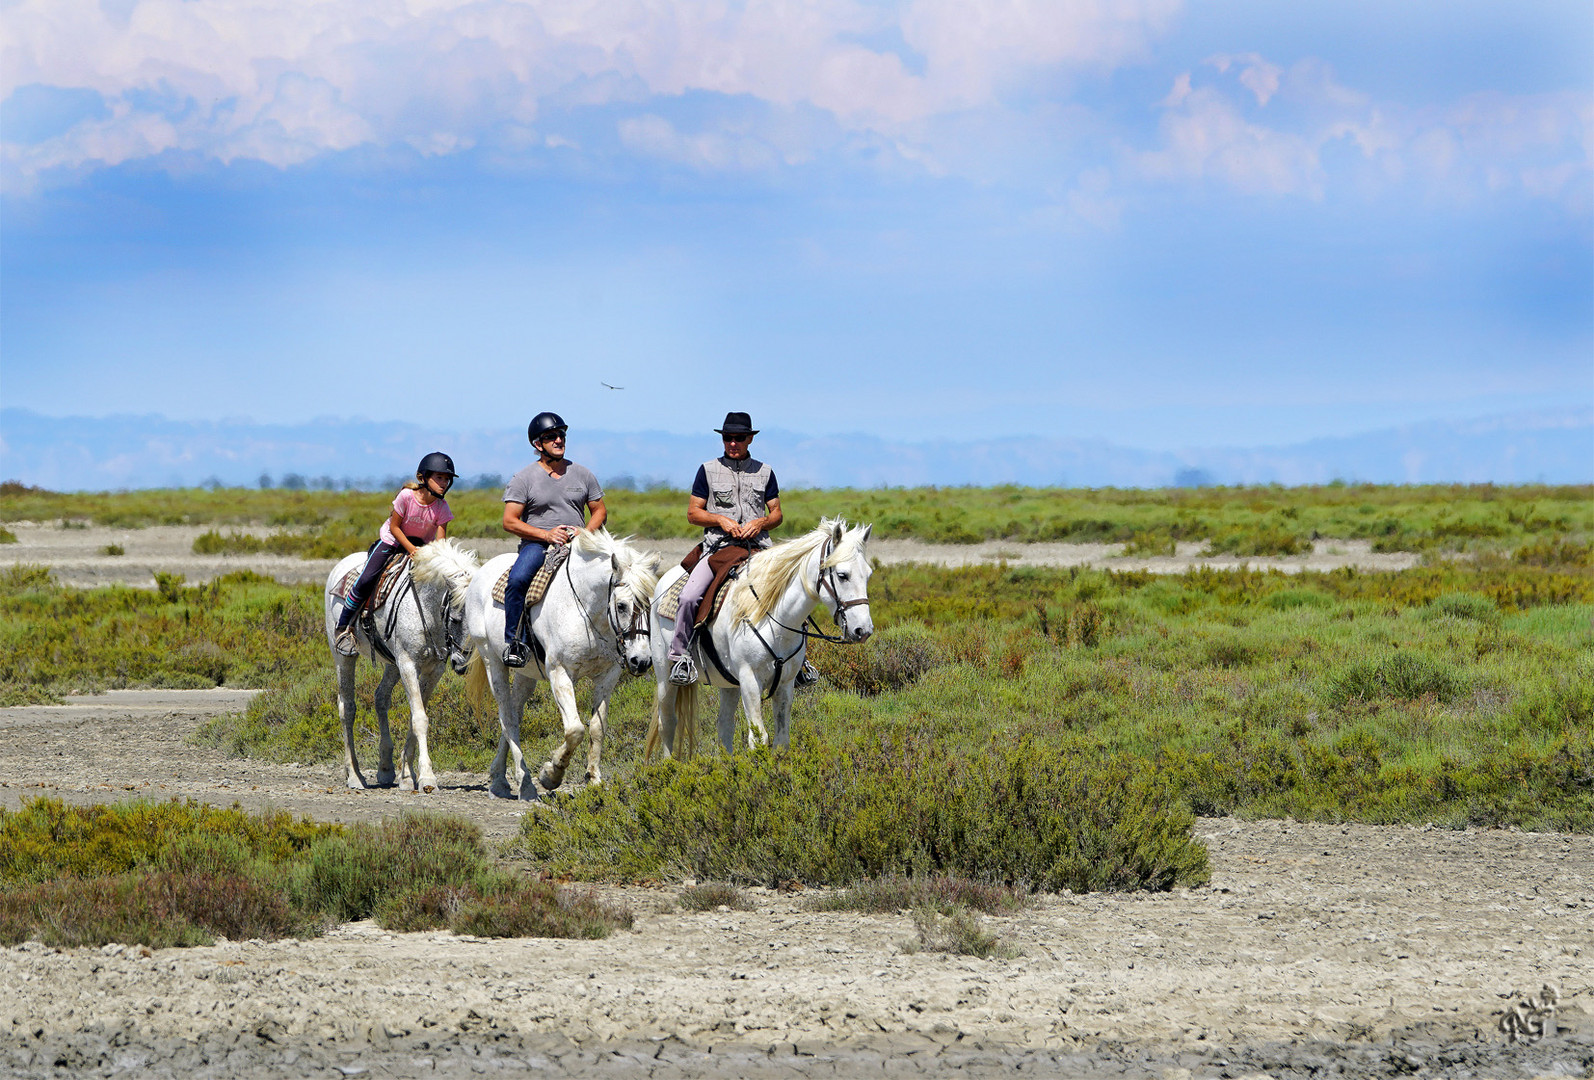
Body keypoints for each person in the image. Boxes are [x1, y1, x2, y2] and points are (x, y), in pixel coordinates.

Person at [667, 411, 784, 685]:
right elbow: (693, 513)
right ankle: (679, 656)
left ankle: (799, 662)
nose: (733, 443)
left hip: (759, 548)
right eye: (728, 438)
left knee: (792, 590)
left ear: (750, 439)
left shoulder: (765, 472)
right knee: (688, 597)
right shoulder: (707, 470)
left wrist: (762, 522)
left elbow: (777, 513)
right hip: (718, 548)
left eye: (739, 438)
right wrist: (720, 519)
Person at [500, 411, 607, 667]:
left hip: (580, 543)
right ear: (538, 445)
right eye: (551, 437)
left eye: (562, 435)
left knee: (616, 576)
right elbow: (509, 521)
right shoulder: (523, 479)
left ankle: (617, 641)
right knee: (517, 580)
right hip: (538, 544)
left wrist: (586, 532)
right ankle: (514, 642)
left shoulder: (583, 474)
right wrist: (546, 534)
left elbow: (600, 510)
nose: (559, 440)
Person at [334, 451, 457, 656]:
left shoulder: (442, 507)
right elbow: (395, 527)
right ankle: (343, 626)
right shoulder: (407, 496)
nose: (444, 483)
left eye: (447, 479)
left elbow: (440, 541)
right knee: (366, 578)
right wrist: (410, 550)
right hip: (392, 541)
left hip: (421, 547)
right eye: (439, 478)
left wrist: (437, 559)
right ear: (423, 478)